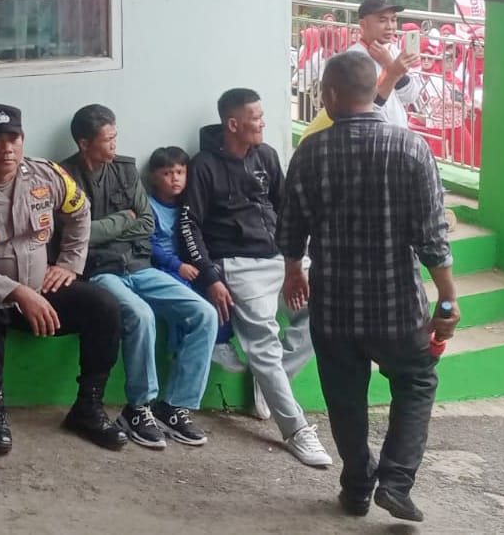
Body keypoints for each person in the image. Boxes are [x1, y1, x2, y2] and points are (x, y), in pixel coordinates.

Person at [277, 51, 459, 522]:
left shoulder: (310, 152)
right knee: (416, 381)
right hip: (397, 308)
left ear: (331, 95)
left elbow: (290, 227)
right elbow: (432, 236)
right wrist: (447, 296)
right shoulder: (411, 148)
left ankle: (357, 485)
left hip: (333, 309)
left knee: (345, 398)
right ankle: (395, 482)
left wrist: (294, 269)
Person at [0, 104, 127, 453]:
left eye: (14, 138)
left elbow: (80, 210)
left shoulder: (47, 175)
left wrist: (69, 264)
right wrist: (18, 292)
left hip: (43, 290)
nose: (7, 148)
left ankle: (88, 407)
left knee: (104, 306)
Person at [179, 88, 332, 468]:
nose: (263, 123)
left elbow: (286, 208)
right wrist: (212, 277)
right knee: (263, 340)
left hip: (282, 259)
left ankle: (271, 381)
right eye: (256, 118)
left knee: (324, 311)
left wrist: (298, 258)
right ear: (233, 124)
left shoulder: (266, 156)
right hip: (239, 265)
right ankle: (296, 430)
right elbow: (189, 225)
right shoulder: (203, 166)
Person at [61, 105, 218, 448]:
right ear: (85, 143)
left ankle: (173, 406)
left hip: (140, 266)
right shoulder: (64, 177)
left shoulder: (126, 169)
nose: (115, 143)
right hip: (100, 271)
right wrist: (123, 218)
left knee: (204, 314)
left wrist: (108, 226)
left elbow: (146, 223)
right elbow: (75, 234)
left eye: (115, 136)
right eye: (108, 139)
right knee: (140, 315)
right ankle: (138, 408)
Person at [147, 146, 246, 374]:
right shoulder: (149, 206)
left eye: (180, 172)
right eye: (167, 173)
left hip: (189, 265)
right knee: (185, 297)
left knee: (217, 285)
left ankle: (221, 342)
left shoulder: (190, 205)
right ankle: (179, 348)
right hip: (164, 268)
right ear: (153, 177)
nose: (175, 178)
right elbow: (148, 245)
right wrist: (177, 265)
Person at [347, 0, 423, 128]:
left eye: (393, 20)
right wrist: (393, 72)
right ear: (363, 24)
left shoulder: (393, 51)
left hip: (397, 130)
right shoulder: (353, 58)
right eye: (382, 20)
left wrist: (389, 63)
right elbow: (366, 108)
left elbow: (411, 96)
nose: (390, 27)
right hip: (372, 132)